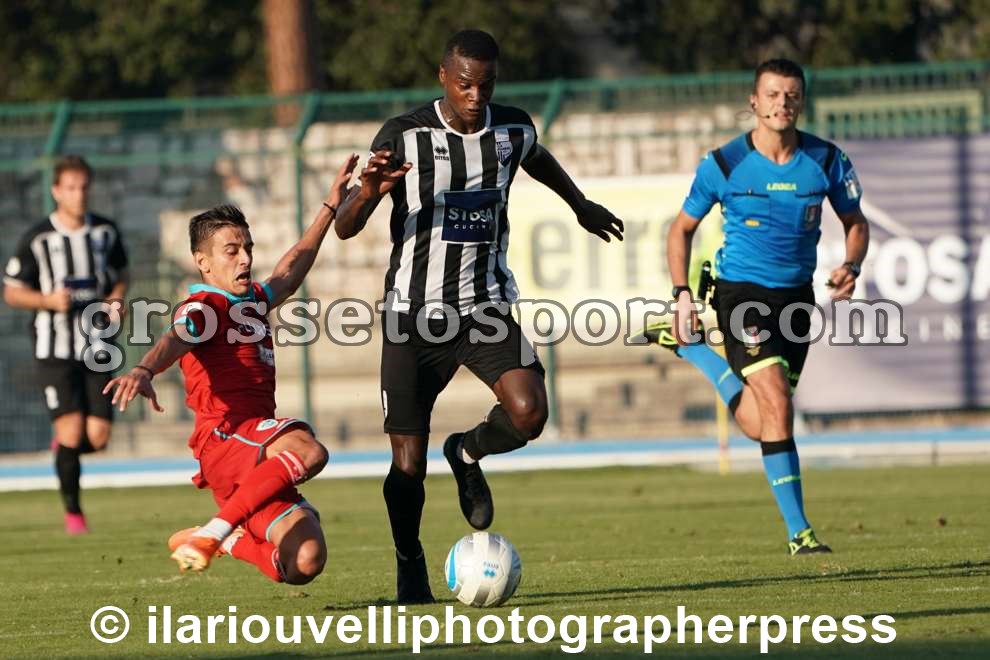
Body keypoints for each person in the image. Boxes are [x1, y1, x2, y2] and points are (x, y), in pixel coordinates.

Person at [334, 29, 624, 603]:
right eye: (465, 84)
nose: (474, 96)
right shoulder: (405, 136)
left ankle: (465, 453)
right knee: (407, 464)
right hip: (413, 317)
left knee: (530, 412)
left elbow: (538, 158)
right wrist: (367, 192)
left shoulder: (512, 129)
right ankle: (409, 562)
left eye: (485, 85)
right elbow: (345, 226)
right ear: (443, 77)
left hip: (484, 309)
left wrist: (581, 205)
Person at [104, 155, 359, 583]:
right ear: (203, 262)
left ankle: (230, 539)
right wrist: (145, 369)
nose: (245, 259)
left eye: (248, 249)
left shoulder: (251, 301)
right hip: (226, 438)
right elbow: (177, 337)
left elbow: (289, 273)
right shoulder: (205, 306)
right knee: (309, 451)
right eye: (232, 251)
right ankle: (215, 530)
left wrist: (330, 208)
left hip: (253, 455)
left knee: (304, 561)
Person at [651, 59, 870, 555]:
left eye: (791, 94)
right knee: (777, 404)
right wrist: (682, 294)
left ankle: (693, 351)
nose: (781, 103)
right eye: (772, 94)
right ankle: (800, 533)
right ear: (754, 101)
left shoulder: (826, 159)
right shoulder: (725, 163)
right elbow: (680, 230)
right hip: (740, 294)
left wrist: (852, 264)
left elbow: (856, 222)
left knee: (761, 420)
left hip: (796, 298)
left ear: (802, 101)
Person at [3, 155, 129, 534]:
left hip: (97, 346)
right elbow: (12, 291)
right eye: (71, 188)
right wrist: (46, 300)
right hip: (54, 349)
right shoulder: (39, 239)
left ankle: (65, 451)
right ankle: (74, 514)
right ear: (56, 191)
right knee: (71, 430)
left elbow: (121, 274)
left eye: (84, 187)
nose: (78, 194)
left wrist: (116, 299)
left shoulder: (105, 232)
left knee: (98, 438)